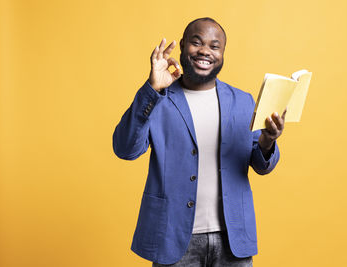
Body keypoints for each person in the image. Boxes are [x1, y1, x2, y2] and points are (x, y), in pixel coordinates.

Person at [112, 17, 286, 267]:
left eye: (215, 46)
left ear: (223, 54)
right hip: (172, 237)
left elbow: (262, 165)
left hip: (232, 239)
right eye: (197, 42)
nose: (205, 51)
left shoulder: (243, 101)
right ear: (183, 45)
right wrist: (151, 88)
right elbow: (125, 149)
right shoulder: (158, 98)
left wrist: (268, 141)